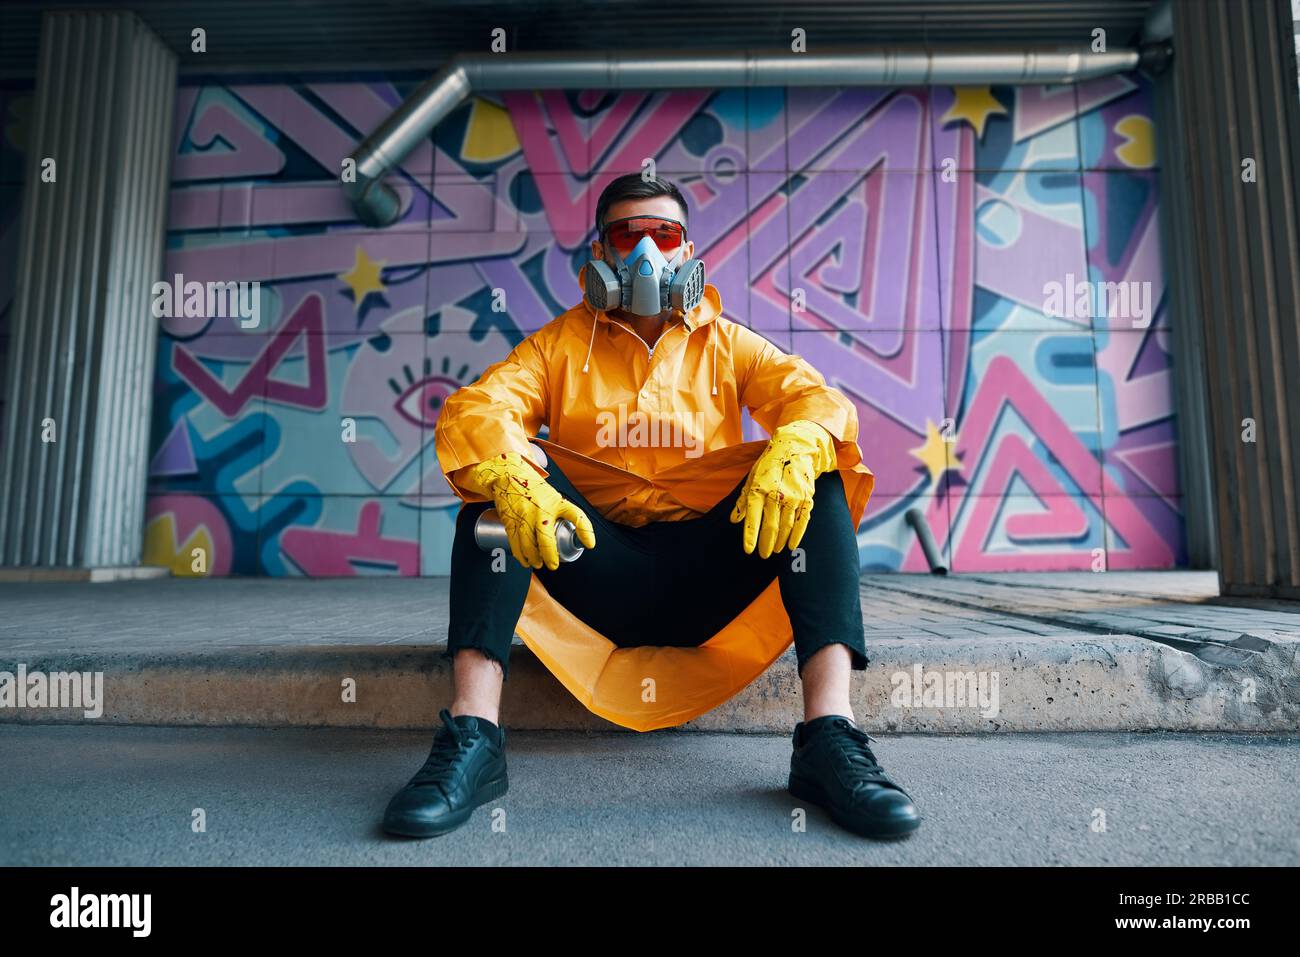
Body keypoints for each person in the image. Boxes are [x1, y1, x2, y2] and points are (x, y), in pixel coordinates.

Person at [381, 173, 921, 841]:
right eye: (625, 235)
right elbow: (478, 409)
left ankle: (830, 739)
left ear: (687, 249)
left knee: (819, 476)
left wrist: (803, 439)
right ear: (600, 254)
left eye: (662, 235)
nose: (646, 253)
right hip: (591, 568)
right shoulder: (558, 346)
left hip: (706, 578)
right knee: (496, 497)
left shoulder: (729, 345)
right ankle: (473, 738)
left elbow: (814, 400)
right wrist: (512, 475)